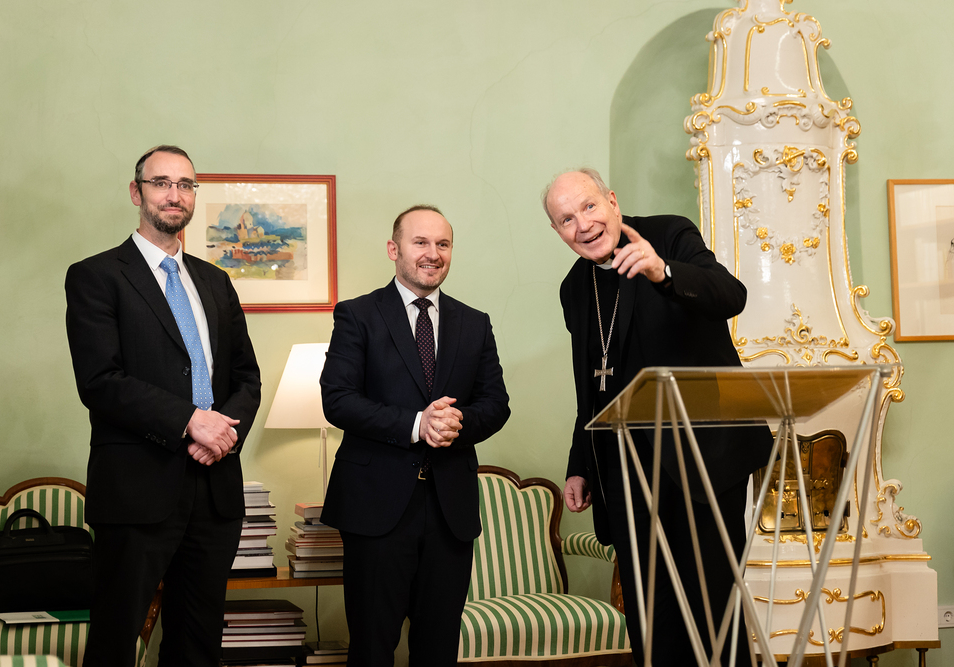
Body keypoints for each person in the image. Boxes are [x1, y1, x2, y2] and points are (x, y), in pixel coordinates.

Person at [542, 168, 772, 666]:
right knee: (651, 618)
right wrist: (580, 465)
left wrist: (663, 272)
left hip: (702, 460)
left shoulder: (669, 233)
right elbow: (592, 387)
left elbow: (731, 296)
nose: (582, 224)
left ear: (612, 201)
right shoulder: (574, 288)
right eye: (566, 219)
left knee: (714, 610)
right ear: (557, 231)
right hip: (626, 474)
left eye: (588, 206)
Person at [65, 145, 262, 667]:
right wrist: (191, 422)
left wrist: (223, 435)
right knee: (115, 642)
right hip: (137, 489)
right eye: (161, 183)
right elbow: (100, 381)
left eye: (185, 185)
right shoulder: (96, 276)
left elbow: (247, 377)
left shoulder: (216, 281)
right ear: (137, 193)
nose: (174, 195)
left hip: (215, 489)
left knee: (197, 644)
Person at [320, 205, 510, 666]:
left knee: (438, 648)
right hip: (375, 506)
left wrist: (453, 423)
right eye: (420, 242)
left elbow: (495, 404)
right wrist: (416, 424)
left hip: (450, 510)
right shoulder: (357, 315)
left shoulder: (474, 322)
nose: (433, 253)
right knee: (372, 648)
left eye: (443, 244)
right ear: (394, 249)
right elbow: (338, 400)